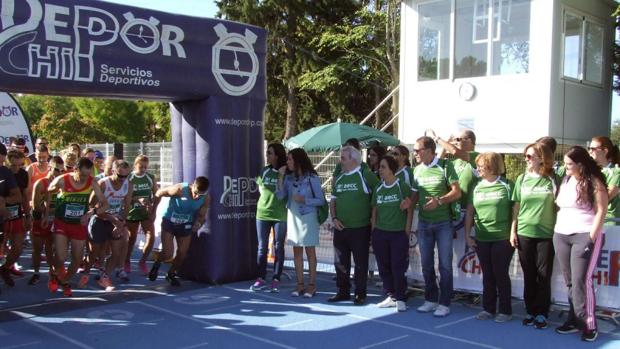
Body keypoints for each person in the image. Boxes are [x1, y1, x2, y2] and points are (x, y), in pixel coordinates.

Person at [553, 146, 607, 342]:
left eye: (569, 164)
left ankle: (589, 324)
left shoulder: (594, 181)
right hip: (561, 234)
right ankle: (574, 319)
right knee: (569, 282)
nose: (565, 167)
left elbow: (601, 210)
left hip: (584, 234)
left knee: (582, 281)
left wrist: (591, 237)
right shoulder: (566, 180)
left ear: (580, 164)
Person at [411, 136, 461, 317]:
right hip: (424, 224)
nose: (415, 153)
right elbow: (415, 195)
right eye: (414, 150)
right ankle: (430, 299)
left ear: (430, 151)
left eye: (418, 150)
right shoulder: (416, 170)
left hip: (443, 224)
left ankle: (445, 303)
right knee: (426, 264)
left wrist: (439, 201)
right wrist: (407, 202)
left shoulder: (446, 166)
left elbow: (457, 192)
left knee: (445, 265)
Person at [510, 143, 558, 329]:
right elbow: (516, 207)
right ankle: (530, 311)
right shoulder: (521, 179)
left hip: (547, 233)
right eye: (526, 156)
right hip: (524, 232)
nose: (526, 159)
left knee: (544, 275)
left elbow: (559, 203)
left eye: (530, 156)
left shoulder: (553, 179)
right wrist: (513, 230)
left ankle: (542, 313)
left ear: (541, 158)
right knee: (529, 274)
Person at [465, 152, 514, 323]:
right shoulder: (477, 186)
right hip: (482, 237)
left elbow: (515, 212)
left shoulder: (508, 185)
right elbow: (470, 212)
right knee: (487, 274)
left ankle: (505, 311)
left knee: (500, 273)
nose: (478, 168)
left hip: (503, 237)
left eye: (481, 165)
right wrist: (467, 236)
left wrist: (513, 233)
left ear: (491, 166)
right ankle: (488, 308)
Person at [48, 157, 108, 296]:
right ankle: (55, 274)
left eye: (87, 175)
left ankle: (63, 280)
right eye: (82, 175)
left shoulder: (91, 181)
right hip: (62, 222)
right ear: (75, 169)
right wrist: (55, 188)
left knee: (77, 260)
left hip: (78, 224)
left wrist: (91, 213)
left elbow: (105, 204)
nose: (84, 178)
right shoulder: (63, 179)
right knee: (61, 257)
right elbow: (49, 190)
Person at [328, 146, 379, 305]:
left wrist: (373, 219)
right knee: (340, 263)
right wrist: (334, 218)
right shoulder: (340, 178)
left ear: (354, 159)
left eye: (343, 158)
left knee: (360, 263)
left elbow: (379, 192)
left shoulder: (365, 175)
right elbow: (333, 201)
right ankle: (343, 291)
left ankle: (360, 293)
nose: (340, 161)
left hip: (360, 228)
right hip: (340, 228)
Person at [276, 148, 325, 298]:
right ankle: (300, 285)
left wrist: (305, 200)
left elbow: (321, 200)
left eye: (290, 159)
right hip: (293, 217)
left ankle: (312, 285)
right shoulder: (289, 178)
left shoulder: (312, 178)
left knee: (310, 252)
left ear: (298, 160)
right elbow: (279, 196)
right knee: (297, 251)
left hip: (308, 217)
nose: (287, 162)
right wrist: (280, 176)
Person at [149, 176, 210, 286]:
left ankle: (171, 274)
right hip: (169, 222)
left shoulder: (205, 198)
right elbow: (158, 193)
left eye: (200, 194)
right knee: (168, 254)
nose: (196, 196)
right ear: (192, 186)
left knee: (182, 253)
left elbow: (202, 216)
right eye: (195, 192)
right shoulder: (179, 189)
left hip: (186, 224)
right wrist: (153, 211)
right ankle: (157, 264)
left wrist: (198, 223)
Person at [371, 155, 413, 312]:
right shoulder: (378, 188)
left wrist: (406, 231)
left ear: (391, 169)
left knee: (397, 267)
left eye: (383, 167)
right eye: (380, 167)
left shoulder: (402, 186)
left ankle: (401, 298)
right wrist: (374, 231)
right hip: (380, 234)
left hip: (398, 234)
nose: (380, 170)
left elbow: (409, 211)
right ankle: (391, 295)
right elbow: (374, 211)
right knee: (383, 267)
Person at [87, 160, 133, 290]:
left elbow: (127, 206)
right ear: (113, 171)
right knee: (95, 251)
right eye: (120, 176)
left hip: (116, 219)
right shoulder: (103, 183)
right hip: (100, 218)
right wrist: (110, 217)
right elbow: (92, 205)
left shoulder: (128, 185)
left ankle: (104, 276)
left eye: (126, 176)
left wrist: (120, 223)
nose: (123, 179)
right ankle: (93, 270)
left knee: (117, 251)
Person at [250, 144, 287, 292]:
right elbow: (261, 191)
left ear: (277, 155)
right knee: (261, 248)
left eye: (269, 153)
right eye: (267, 153)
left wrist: (281, 176)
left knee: (279, 247)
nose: (267, 155)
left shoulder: (287, 172)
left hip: (280, 215)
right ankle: (260, 278)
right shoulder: (264, 171)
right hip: (262, 214)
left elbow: (284, 193)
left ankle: (276, 278)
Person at [29, 156, 64, 286]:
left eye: (61, 170)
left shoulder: (62, 183)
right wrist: (47, 211)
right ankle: (36, 272)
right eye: (56, 169)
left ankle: (52, 272)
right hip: (39, 219)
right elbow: (36, 204)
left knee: (51, 248)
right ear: (49, 167)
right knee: (37, 248)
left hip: (54, 220)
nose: (59, 173)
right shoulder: (41, 183)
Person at [431, 129, 479, 218]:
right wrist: (447, 143)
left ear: (469, 141)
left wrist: (437, 139)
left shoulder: (477, 156)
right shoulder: (455, 161)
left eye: (458, 139)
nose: (455, 143)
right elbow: (437, 161)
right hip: (454, 209)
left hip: (469, 210)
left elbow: (454, 151)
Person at [0, 150, 30, 286]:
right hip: (2, 215)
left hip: (16, 212)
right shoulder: (5, 171)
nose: (17, 167)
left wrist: (27, 214)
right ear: (8, 160)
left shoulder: (23, 174)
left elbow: (23, 196)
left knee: (18, 247)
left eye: (20, 163)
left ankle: (5, 268)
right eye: (14, 164)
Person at [125, 155, 159, 276]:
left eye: (145, 167)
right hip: (132, 211)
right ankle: (127, 261)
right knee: (131, 238)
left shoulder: (150, 177)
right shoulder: (129, 177)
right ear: (135, 165)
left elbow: (157, 194)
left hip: (146, 212)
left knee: (151, 237)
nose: (143, 169)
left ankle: (143, 261)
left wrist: (153, 210)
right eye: (141, 166)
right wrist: (137, 199)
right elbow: (124, 195)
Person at [588, 136, 620, 225]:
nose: (590, 151)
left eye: (593, 149)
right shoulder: (591, 171)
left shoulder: (616, 172)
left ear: (605, 151)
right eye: (589, 148)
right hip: (592, 220)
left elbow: (606, 198)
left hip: (609, 223)